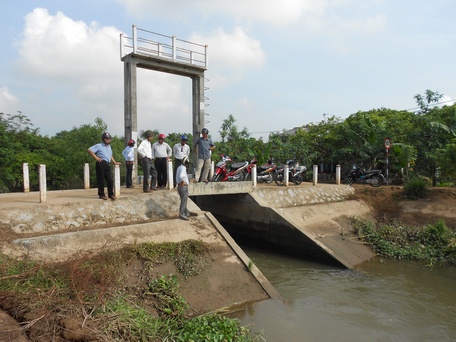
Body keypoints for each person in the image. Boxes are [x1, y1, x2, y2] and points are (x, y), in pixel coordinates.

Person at [88, 132, 121, 200]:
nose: (108, 140)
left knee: (110, 180)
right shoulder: (99, 145)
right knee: (101, 180)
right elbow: (90, 150)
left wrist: (114, 162)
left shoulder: (109, 147)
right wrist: (96, 158)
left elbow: (110, 155)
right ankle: (101, 194)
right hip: (101, 163)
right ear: (104, 139)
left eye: (109, 139)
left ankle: (110, 194)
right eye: (107, 139)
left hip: (107, 164)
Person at [176, 156, 191, 220]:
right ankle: (182, 214)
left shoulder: (179, 167)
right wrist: (183, 182)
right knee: (183, 200)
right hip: (183, 186)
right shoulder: (183, 169)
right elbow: (181, 176)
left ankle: (186, 212)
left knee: (184, 200)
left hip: (180, 186)